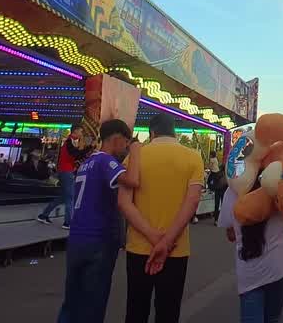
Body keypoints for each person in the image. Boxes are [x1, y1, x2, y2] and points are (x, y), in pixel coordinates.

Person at [120, 113, 204, 323]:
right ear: (174, 132)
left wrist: (153, 237)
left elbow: (124, 202)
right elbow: (192, 202)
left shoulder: (133, 158)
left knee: (136, 309)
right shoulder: (193, 157)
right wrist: (166, 242)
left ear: (152, 132)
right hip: (175, 249)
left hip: (139, 248)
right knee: (168, 311)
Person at [58, 119, 141, 323]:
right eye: (126, 142)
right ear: (117, 139)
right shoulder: (106, 161)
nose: (126, 148)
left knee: (72, 299)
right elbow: (132, 181)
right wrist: (137, 152)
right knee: (93, 301)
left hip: (77, 239)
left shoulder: (87, 162)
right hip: (99, 239)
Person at [217, 161, 283, 323]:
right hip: (281, 265)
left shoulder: (232, 192)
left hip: (250, 270)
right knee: (273, 318)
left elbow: (231, 233)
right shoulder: (282, 190)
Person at [38, 123, 90, 227]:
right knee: (70, 197)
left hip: (65, 171)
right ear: (75, 131)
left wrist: (86, 150)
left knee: (63, 197)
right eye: (80, 131)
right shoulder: (69, 142)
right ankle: (68, 223)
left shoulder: (71, 142)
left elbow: (76, 155)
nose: (81, 133)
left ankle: (43, 216)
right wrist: (89, 148)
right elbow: (76, 154)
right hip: (66, 172)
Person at [207, 152, 227, 221]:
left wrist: (212, 187)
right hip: (223, 190)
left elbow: (213, 182)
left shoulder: (212, 160)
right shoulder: (226, 176)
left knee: (217, 204)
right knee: (223, 204)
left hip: (217, 190)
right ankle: (223, 217)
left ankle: (216, 219)